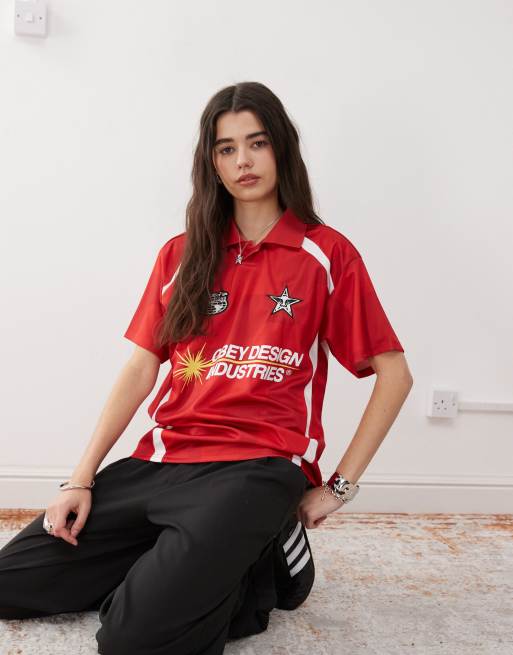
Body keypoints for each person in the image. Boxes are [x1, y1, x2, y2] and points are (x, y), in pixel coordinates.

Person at [0, 81, 413, 654]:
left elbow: (395, 374)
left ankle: (261, 560)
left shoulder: (326, 254)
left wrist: (338, 488)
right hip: (161, 463)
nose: (243, 160)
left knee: (131, 638)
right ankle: (193, 561)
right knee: (9, 584)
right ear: (212, 163)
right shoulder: (181, 253)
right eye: (226, 148)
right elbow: (141, 367)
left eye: (257, 143)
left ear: (282, 149)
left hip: (256, 468)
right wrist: (81, 479)